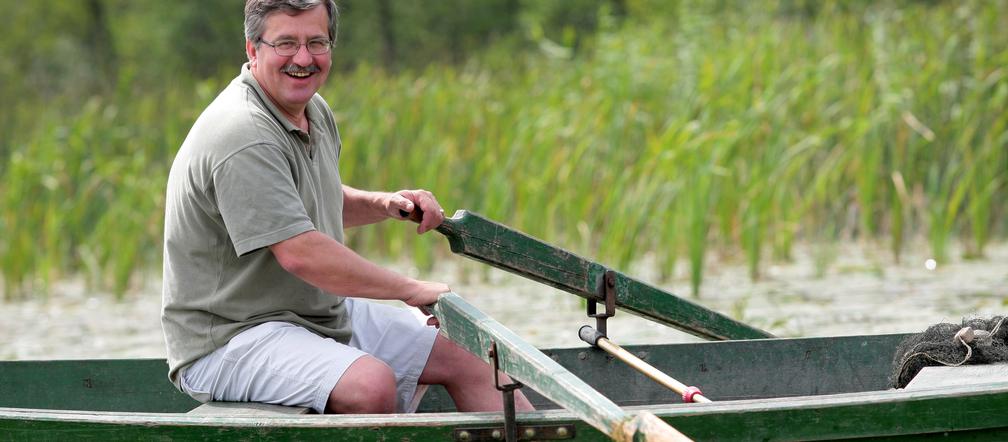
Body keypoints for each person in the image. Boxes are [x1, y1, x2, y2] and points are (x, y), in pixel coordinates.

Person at [161, 0, 533, 414]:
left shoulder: (312, 110)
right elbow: (301, 252)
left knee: (468, 349)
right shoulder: (244, 133)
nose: (303, 59)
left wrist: (384, 203)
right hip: (230, 337)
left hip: (309, 313)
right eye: (286, 43)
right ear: (253, 49)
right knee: (370, 384)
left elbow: (308, 203)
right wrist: (410, 289)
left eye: (316, 42)